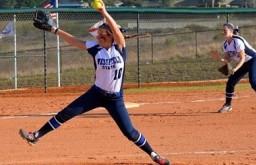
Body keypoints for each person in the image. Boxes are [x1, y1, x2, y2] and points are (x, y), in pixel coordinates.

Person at [19, 1, 170, 165]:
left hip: (115, 99)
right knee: (66, 113)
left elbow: (116, 32)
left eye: (102, 34)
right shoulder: (95, 48)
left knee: (129, 132)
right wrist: (53, 29)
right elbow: (73, 41)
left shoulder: (119, 48)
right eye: (98, 35)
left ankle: (154, 155)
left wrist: (104, 12)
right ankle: (36, 135)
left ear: (111, 35)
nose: (98, 37)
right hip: (95, 94)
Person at [210, 23, 256, 113]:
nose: (222, 32)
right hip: (243, 63)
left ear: (231, 31)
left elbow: (243, 58)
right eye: (222, 30)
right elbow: (228, 60)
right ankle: (228, 105)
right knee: (230, 82)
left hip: (253, 60)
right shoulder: (225, 45)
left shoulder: (237, 41)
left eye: (225, 30)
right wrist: (219, 58)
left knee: (253, 81)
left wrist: (235, 69)